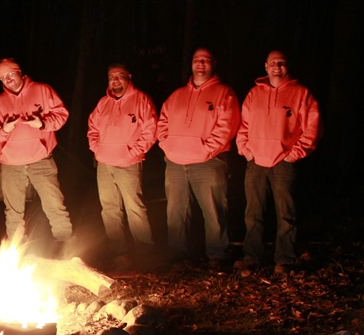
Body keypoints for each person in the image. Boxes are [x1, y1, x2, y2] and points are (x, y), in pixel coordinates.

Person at [235, 50, 322, 274]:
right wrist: (245, 149)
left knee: (285, 213)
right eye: (273, 63)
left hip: (283, 162)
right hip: (255, 161)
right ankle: (251, 258)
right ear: (266, 66)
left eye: (281, 63)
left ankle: (284, 260)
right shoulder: (254, 94)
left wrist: (294, 153)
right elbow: (243, 124)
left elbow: (313, 127)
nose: (277, 66)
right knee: (253, 213)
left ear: (287, 66)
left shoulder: (300, 93)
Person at [157, 48, 240, 268]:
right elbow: (162, 122)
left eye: (205, 60)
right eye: (196, 60)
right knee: (176, 211)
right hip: (175, 162)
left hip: (209, 162)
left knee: (213, 210)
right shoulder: (177, 96)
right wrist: (168, 145)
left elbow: (227, 127)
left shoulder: (224, 93)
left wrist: (205, 149)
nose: (200, 64)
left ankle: (217, 254)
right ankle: (178, 254)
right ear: (191, 64)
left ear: (213, 63)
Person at [0, 58, 73, 249]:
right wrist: (4, 129)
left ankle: (65, 243)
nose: (8, 79)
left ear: (19, 72)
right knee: (13, 210)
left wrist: (43, 123)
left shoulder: (42, 90)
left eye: (10, 74)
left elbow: (62, 115)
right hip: (11, 164)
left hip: (41, 160)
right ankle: (15, 249)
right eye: (3, 77)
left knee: (54, 203)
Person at [87, 64, 157, 269]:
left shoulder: (141, 100)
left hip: (129, 163)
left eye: (119, 76)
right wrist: (96, 149)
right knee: (109, 209)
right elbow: (92, 128)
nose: (115, 80)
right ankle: (119, 251)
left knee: (135, 207)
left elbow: (151, 129)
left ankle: (145, 251)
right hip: (104, 163)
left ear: (129, 77)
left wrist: (134, 152)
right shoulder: (103, 103)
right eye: (111, 77)